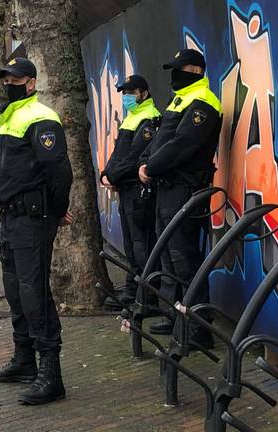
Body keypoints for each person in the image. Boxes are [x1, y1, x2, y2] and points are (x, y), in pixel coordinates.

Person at [0, 57, 73, 406]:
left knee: (34, 293)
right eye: (6, 78)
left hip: (32, 220)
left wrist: (55, 211)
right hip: (10, 219)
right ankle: (23, 360)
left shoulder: (42, 117)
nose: (10, 83)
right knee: (15, 290)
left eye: (17, 78)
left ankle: (50, 375)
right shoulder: (9, 119)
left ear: (32, 83)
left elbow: (59, 173)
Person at [137, 49, 221, 347]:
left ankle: (199, 329)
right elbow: (162, 140)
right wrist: (145, 164)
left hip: (185, 190)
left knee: (185, 259)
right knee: (169, 255)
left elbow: (182, 145)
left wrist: (151, 166)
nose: (175, 74)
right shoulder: (181, 99)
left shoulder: (204, 103)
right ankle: (177, 316)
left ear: (196, 70)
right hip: (167, 188)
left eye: (180, 68)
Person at [99, 75, 161, 309]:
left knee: (142, 244)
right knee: (131, 245)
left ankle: (148, 297)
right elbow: (119, 155)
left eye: (130, 92)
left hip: (139, 191)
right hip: (126, 189)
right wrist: (107, 173)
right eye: (124, 93)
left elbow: (135, 157)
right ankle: (134, 290)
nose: (126, 97)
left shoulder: (150, 119)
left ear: (143, 93)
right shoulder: (133, 118)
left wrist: (111, 176)